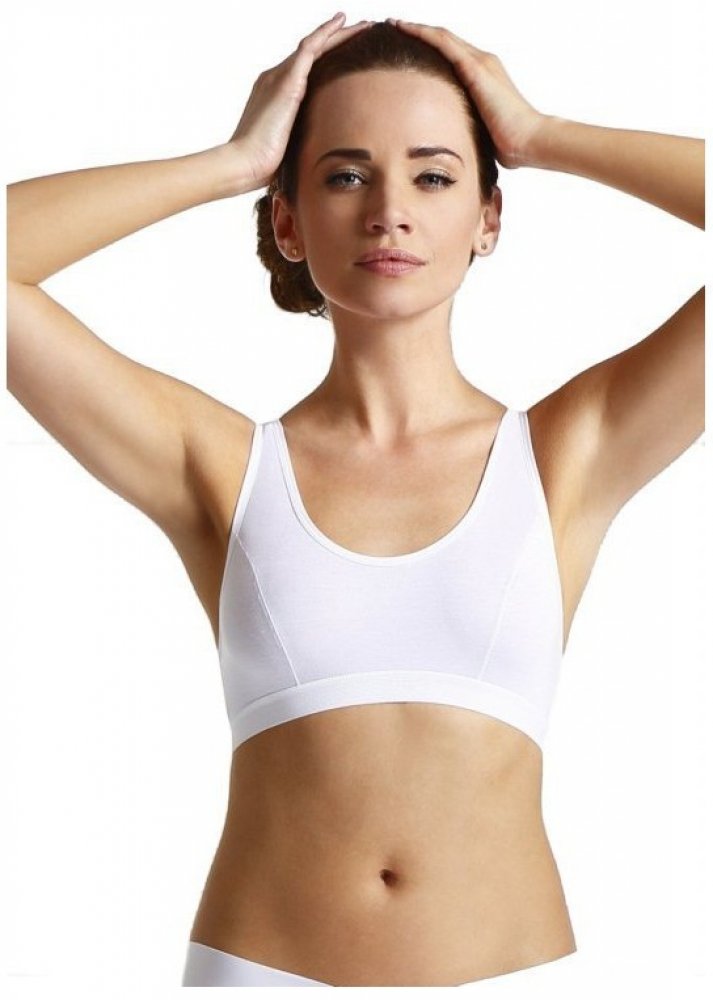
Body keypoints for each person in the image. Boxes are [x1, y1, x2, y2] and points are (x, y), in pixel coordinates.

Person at [6, 13, 704, 990]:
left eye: (432, 176)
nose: (388, 212)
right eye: (343, 176)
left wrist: (543, 135)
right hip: (262, 974)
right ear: (286, 222)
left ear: (489, 217)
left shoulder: (566, 455)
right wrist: (232, 162)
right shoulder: (219, 466)